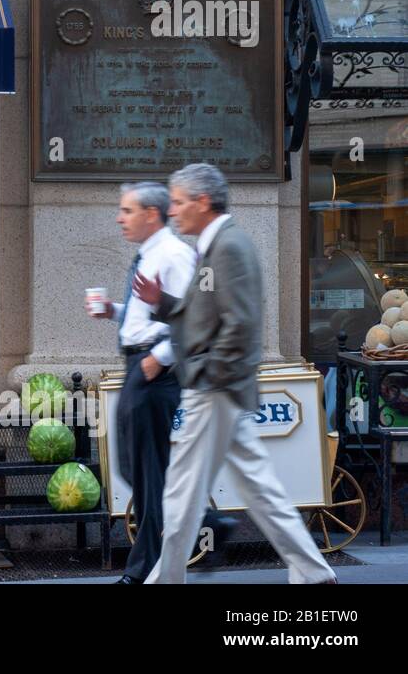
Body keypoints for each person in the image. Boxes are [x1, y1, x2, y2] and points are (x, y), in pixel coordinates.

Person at [133, 163, 336, 584]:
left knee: (183, 495)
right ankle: (316, 575)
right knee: (259, 492)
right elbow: (204, 316)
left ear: (202, 202)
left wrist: (208, 373)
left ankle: (163, 580)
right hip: (220, 387)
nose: (172, 211)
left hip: (214, 388)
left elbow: (241, 324)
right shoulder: (216, 245)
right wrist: (164, 302)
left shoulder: (229, 246)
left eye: (177, 202)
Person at [89, 182, 205, 583]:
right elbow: (150, 313)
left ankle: (143, 569)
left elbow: (195, 318)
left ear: (151, 215)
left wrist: (161, 359)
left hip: (153, 369)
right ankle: (197, 523)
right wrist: (115, 311)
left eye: (127, 210)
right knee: (135, 467)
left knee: (145, 469)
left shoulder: (173, 255)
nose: (120, 218)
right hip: (140, 364)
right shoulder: (151, 255)